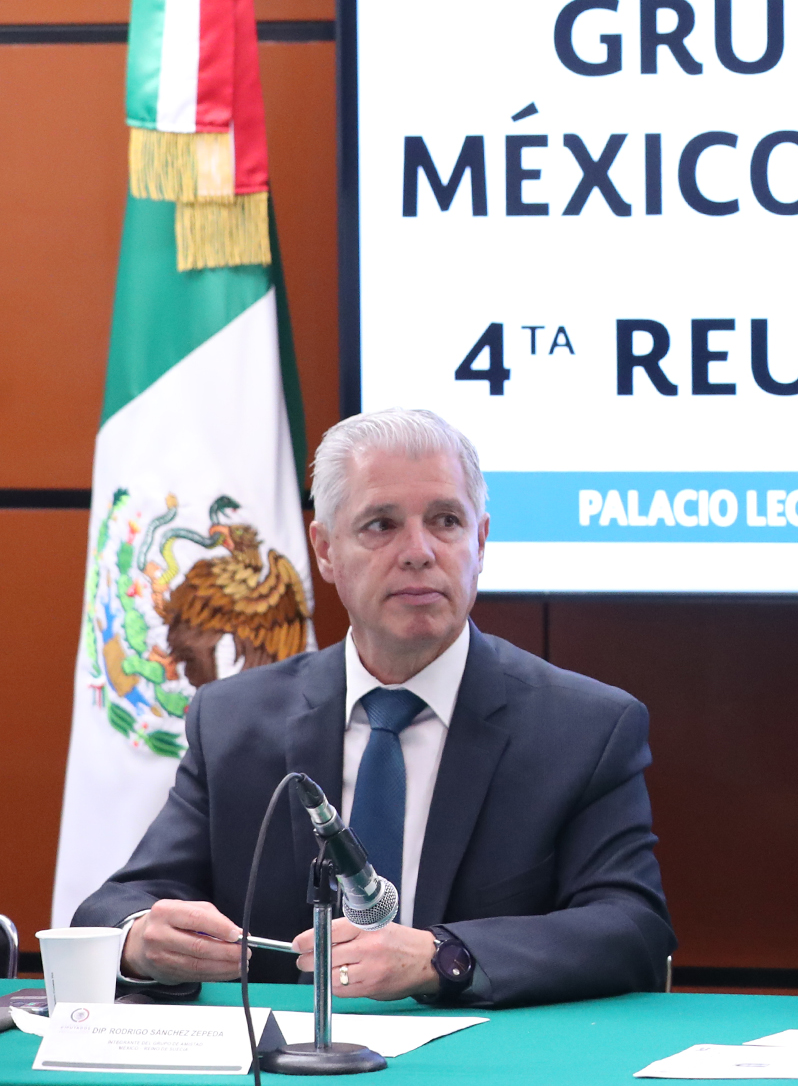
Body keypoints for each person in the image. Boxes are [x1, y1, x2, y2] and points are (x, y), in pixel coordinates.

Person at [77, 408, 675, 1008]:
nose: (419, 551)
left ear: (480, 541)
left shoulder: (584, 728)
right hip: (283, 1056)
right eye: (381, 525)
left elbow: (633, 928)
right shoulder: (233, 720)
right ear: (325, 550)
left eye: (446, 521)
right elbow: (116, 906)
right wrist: (141, 940)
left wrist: (443, 956)